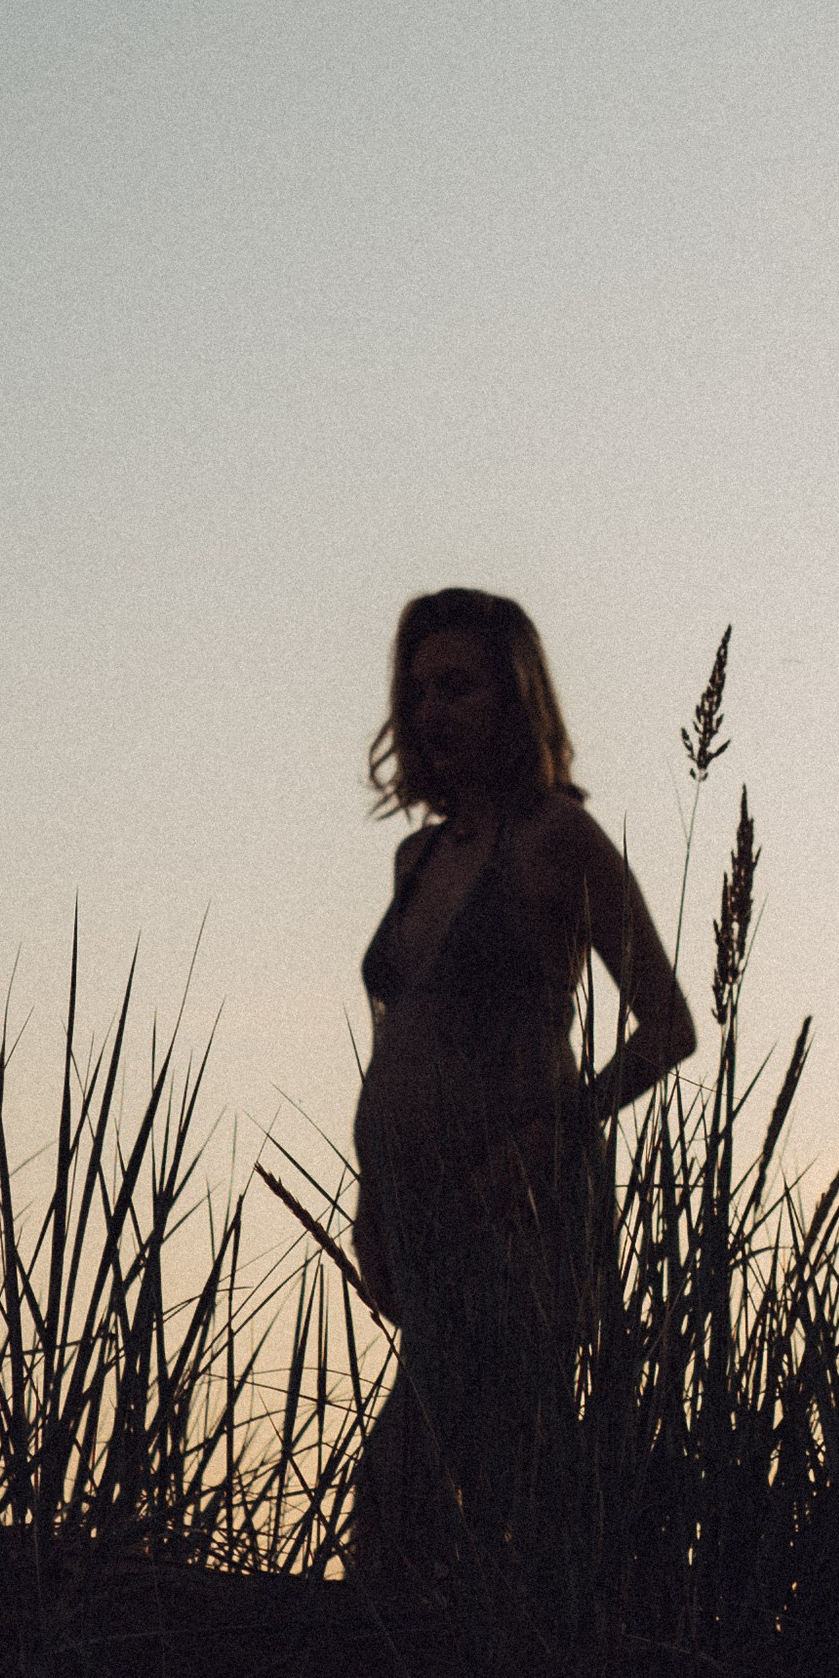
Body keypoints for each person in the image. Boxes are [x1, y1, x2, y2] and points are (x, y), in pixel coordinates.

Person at [347, 589, 697, 1585]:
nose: (432, 712)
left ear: (516, 698)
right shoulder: (417, 857)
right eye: (416, 693)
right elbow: (398, 1040)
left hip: (517, 1219)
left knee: (425, 1485)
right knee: (475, 1490)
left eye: (457, 686)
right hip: (422, 1220)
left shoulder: (557, 842)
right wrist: (375, 1203)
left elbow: (668, 1026)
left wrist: (552, 1134)